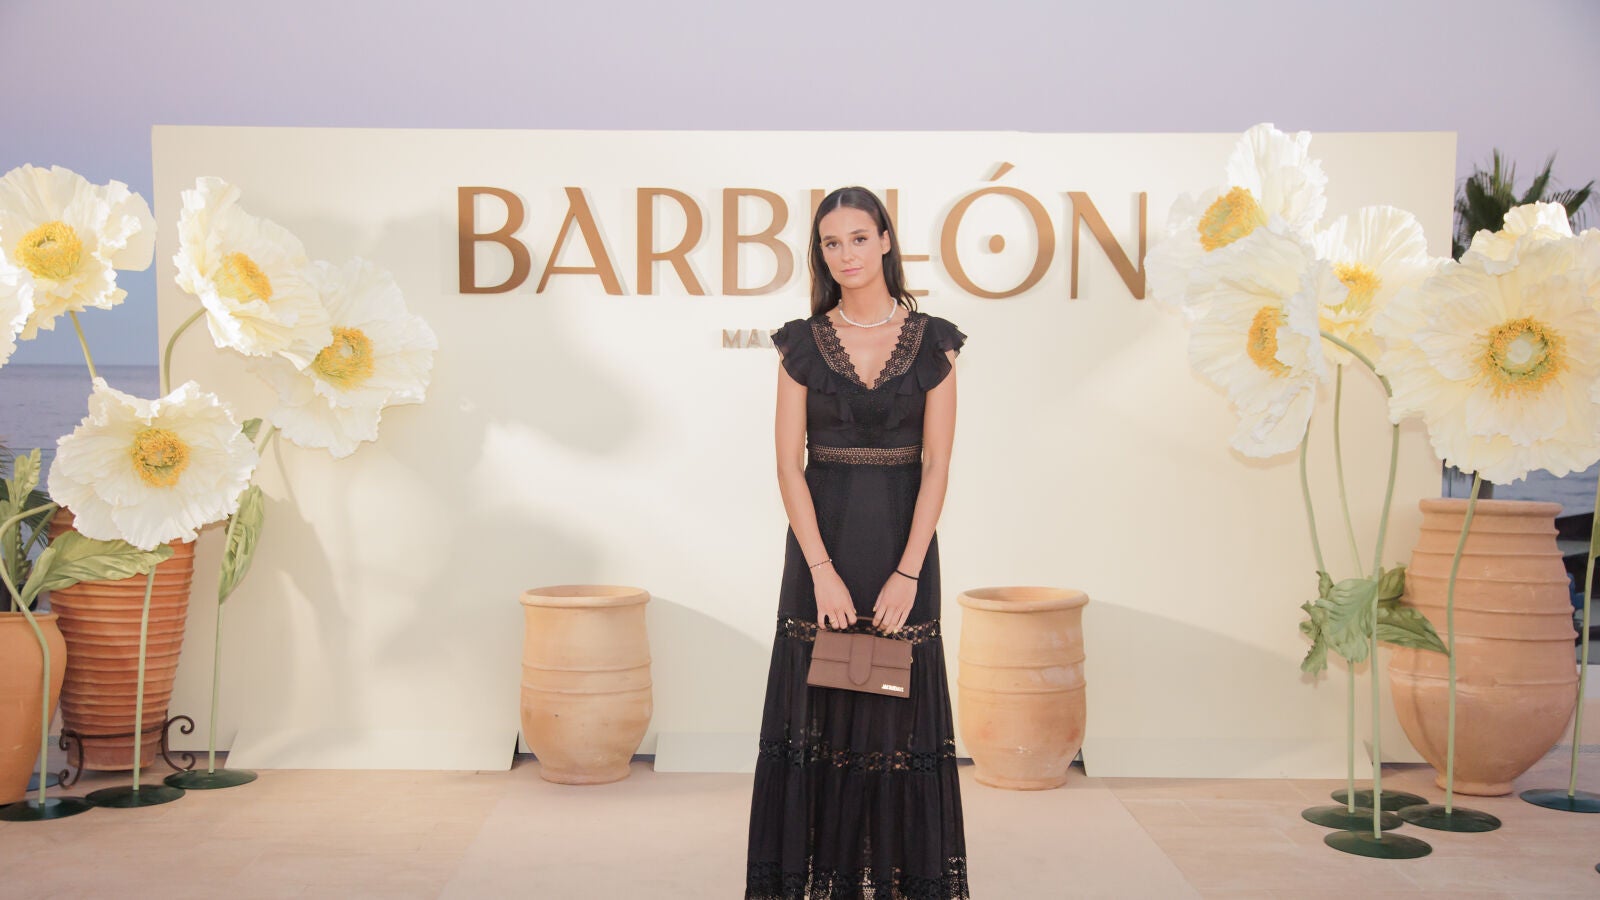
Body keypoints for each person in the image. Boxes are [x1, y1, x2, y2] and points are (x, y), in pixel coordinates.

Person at [745, 186, 969, 899]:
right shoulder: (799, 344)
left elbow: (936, 465)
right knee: (820, 716)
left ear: (886, 241)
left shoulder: (936, 341)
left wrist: (909, 572)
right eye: (831, 242)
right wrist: (820, 569)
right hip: (822, 552)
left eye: (858, 238)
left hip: (904, 551)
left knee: (898, 722)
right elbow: (788, 464)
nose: (846, 254)